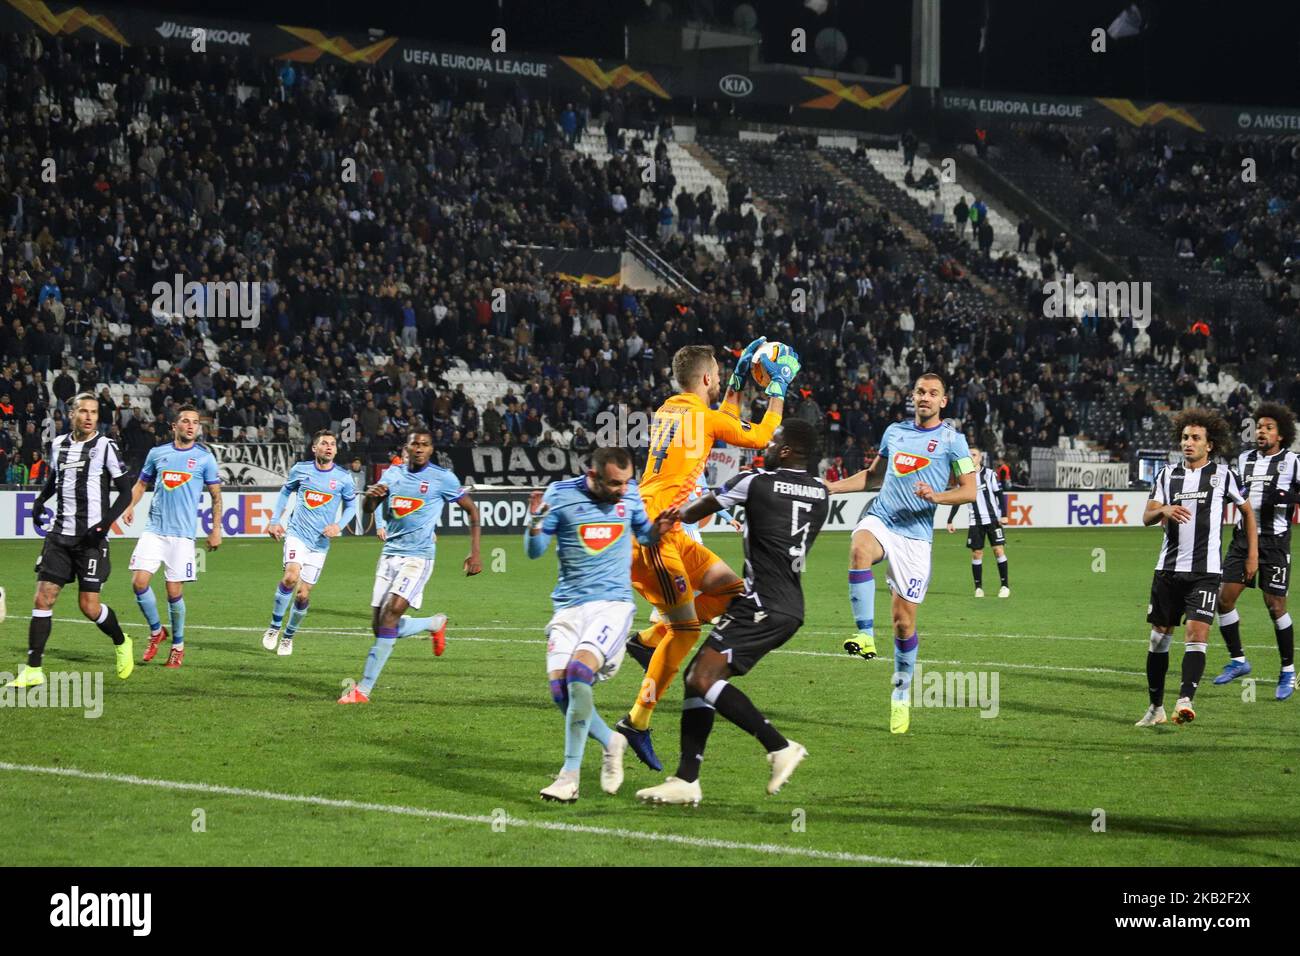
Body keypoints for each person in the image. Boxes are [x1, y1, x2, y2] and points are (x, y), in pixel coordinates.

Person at [615, 340, 799, 771]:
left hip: (671, 529)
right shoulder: (703, 416)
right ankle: (636, 722)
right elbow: (761, 437)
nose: (720, 381)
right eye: (717, 375)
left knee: (735, 593)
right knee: (686, 631)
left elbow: (720, 421)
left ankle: (647, 642)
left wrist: (734, 382)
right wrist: (779, 387)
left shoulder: (670, 409)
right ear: (706, 380)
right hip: (654, 535)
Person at [636, 421, 829, 805]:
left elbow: (695, 512)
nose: (766, 448)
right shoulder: (821, 493)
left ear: (787, 450)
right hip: (788, 604)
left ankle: (779, 747)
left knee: (701, 677)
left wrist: (675, 514)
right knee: (698, 679)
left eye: (773, 442)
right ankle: (687, 780)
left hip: (762, 604)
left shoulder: (754, 481)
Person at [825, 372, 977, 734]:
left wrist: (937, 497)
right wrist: (830, 488)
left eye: (933, 393)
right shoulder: (894, 432)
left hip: (915, 538)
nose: (925, 397)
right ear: (913, 396)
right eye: (920, 391)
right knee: (859, 545)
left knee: (903, 623)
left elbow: (969, 490)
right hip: (882, 518)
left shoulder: (954, 442)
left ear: (943, 401)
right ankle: (864, 635)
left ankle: (901, 693)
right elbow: (872, 477)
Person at [525, 447, 672, 802]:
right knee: (561, 694)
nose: (622, 489)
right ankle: (612, 741)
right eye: (614, 484)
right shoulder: (559, 495)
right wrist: (534, 522)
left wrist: (658, 530)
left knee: (578, 674)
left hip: (613, 605)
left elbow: (645, 534)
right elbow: (535, 550)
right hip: (568, 609)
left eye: (626, 482)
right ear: (592, 475)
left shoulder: (631, 494)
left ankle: (568, 776)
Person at [339, 428, 482, 704]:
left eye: (425, 444)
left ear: (431, 450)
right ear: (406, 448)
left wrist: (475, 553)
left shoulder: (442, 479)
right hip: (390, 554)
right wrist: (371, 497)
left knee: (391, 616)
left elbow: (472, 511)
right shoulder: (393, 475)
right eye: (414, 443)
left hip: (418, 557)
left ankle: (363, 690)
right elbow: (369, 509)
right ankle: (433, 623)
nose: (419, 448)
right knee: (379, 627)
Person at [6, 394, 135, 688]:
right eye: (83, 411)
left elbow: (125, 492)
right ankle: (33, 669)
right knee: (43, 596)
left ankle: (121, 640)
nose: (89, 417)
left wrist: (104, 525)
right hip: (59, 536)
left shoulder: (105, 446)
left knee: (89, 607)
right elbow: (55, 477)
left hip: (91, 538)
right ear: (71, 413)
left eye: (94, 412)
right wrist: (41, 500)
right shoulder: (58, 445)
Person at [1138, 409, 1256, 727]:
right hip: (1167, 569)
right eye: (1185, 437)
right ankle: (1155, 708)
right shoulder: (1166, 476)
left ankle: (1185, 700)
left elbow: (1247, 512)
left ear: (1210, 445)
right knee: (1158, 639)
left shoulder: (1224, 476)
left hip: (1205, 572)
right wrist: (1164, 508)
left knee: (1197, 634)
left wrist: (1252, 556)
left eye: (1195, 438)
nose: (1188, 443)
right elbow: (1146, 518)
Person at [123, 404, 222, 669]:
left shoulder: (204, 458)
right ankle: (157, 631)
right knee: (139, 582)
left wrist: (215, 529)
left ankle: (178, 647)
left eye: (195, 422)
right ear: (174, 426)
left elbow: (215, 496)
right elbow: (142, 484)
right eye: (186, 421)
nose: (191, 425)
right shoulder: (158, 453)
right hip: (154, 530)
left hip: (182, 536)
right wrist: (130, 505)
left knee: (173, 592)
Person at [1211, 403, 1298, 700]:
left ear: (1282, 435)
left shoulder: (1294, 462)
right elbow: (1232, 493)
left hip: (1275, 543)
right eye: (1259, 426)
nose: (1261, 431)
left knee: (1275, 607)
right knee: (1223, 599)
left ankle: (1288, 670)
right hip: (1242, 540)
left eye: (1268, 428)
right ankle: (1238, 661)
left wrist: (1291, 496)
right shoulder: (1244, 460)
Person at [261, 431, 359, 656]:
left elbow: (352, 507)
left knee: (303, 594)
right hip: (297, 534)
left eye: (332, 444)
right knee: (290, 576)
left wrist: (339, 525)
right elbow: (286, 492)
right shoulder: (300, 470)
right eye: (324, 443)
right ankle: (275, 626)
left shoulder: (343, 478)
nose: (329, 447)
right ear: (314, 448)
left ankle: (288, 636)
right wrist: (275, 520)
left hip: (320, 542)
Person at [945, 447, 1010, 597]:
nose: (971, 457)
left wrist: (1004, 515)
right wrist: (950, 520)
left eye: (974, 455)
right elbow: (958, 498)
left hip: (993, 519)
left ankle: (1005, 586)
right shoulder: (963, 477)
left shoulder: (989, 474)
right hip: (975, 521)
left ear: (980, 458)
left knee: (998, 550)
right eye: (968, 455)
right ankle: (978, 588)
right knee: (976, 554)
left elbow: (1000, 495)